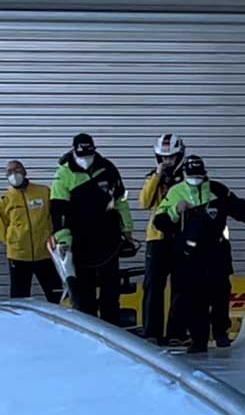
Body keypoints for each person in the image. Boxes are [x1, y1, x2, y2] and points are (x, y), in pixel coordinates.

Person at [154, 155, 245, 353]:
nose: (196, 178)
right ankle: (198, 340)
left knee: (220, 294)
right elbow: (159, 221)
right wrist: (176, 211)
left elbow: (243, 211)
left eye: (199, 175)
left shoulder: (218, 190)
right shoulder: (176, 192)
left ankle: (221, 333)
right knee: (195, 299)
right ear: (184, 175)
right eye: (192, 175)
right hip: (189, 255)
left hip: (217, 252)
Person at [50, 133, 133, 323]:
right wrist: (64, 240)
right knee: (84, 292)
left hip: (108, 239)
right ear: (74, 152)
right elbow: (58, 211)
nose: (86, 160)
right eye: (82, 156)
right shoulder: (63, 174)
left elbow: (121, 199)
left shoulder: (108, 169)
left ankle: (112, 328)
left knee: (110, 290)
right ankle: (89, 329)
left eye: (89, 156)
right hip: (80, 241)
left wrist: (127, 227)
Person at [139, 133, 187, 345]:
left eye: (171, 158)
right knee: (153, 286)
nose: (167, 162)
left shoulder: (188, 177)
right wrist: (158, 176)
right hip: (157, 238)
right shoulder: (152, 177)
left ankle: (177, 333)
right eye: (162, 158)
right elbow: (144, 202)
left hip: (183, 237)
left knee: (182, 285)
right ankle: (151, 333)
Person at [1, 160, 61, 302]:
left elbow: (54, 215)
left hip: (44, 253)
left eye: (17, 169)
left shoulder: (43, 192)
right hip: (18, 255)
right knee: (19, 298)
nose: (14, 174)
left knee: (56, 293)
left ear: (24, 171)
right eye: (9, 172)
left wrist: (54, 236)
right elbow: (2, 225)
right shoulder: (6, 199)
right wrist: (11, 241)